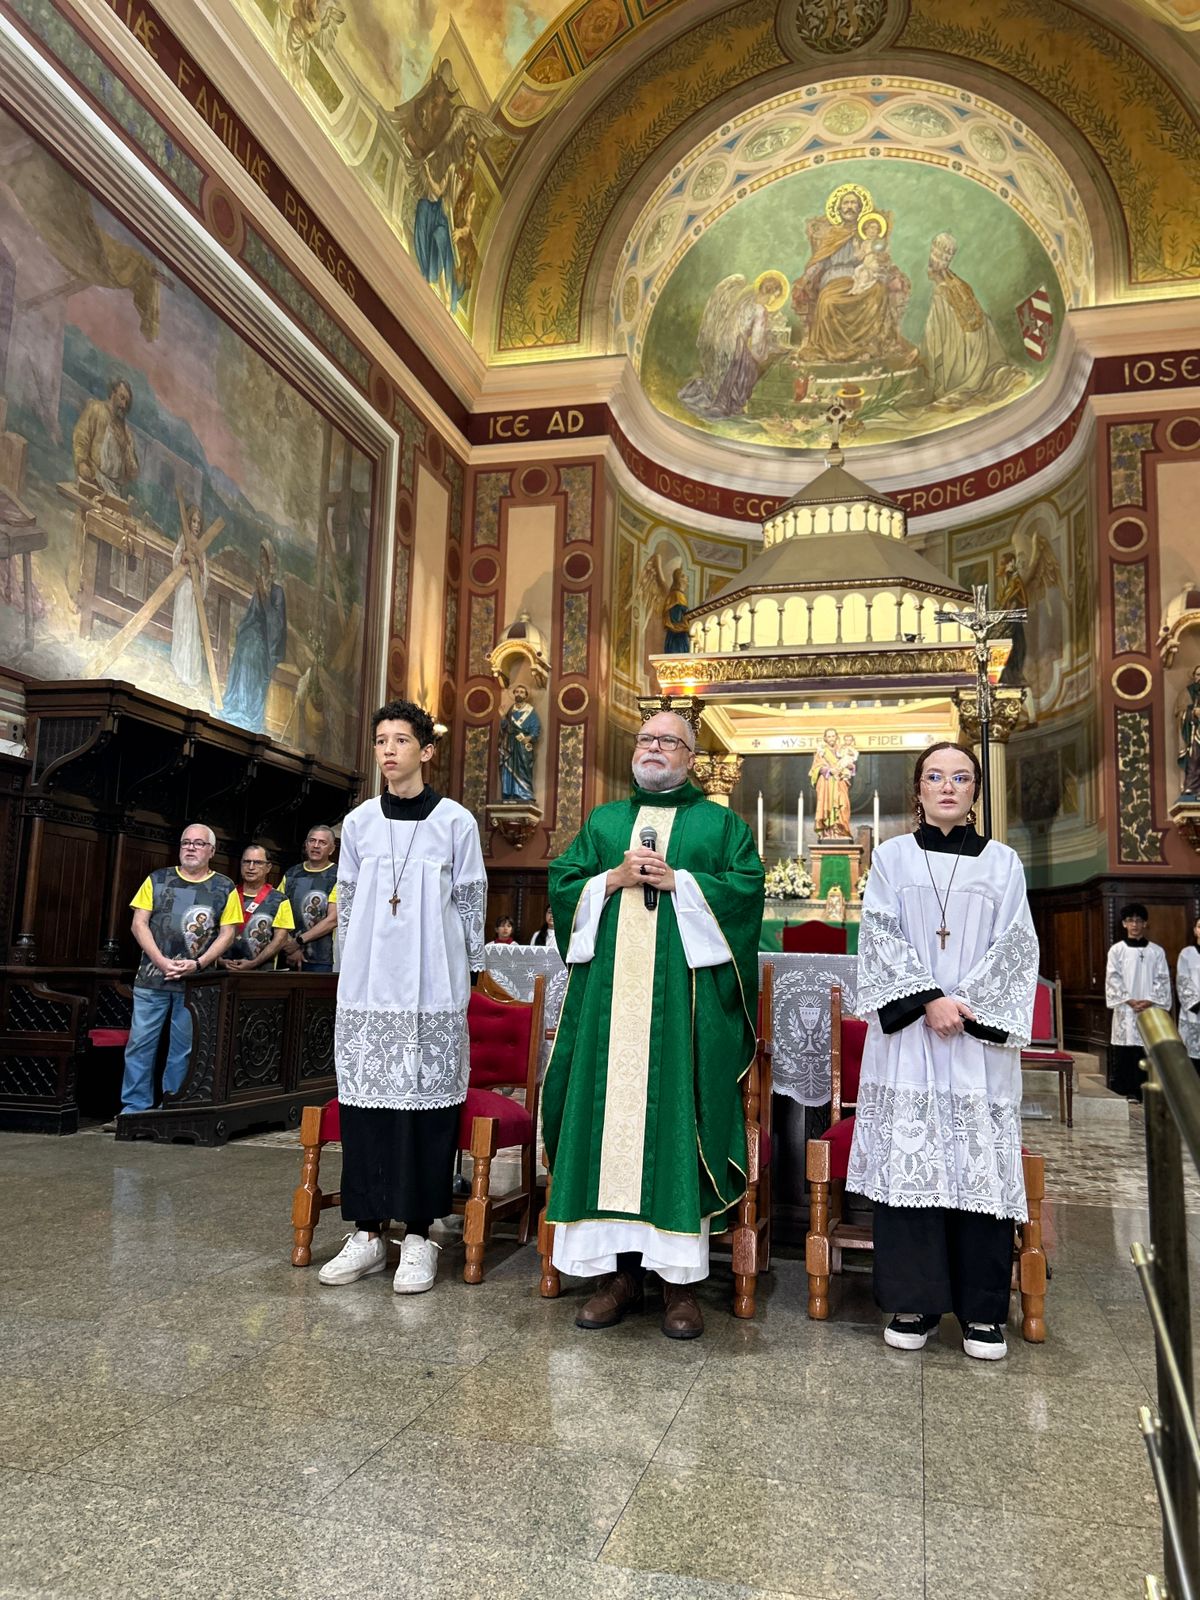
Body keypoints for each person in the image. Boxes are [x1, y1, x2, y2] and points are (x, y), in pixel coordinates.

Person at [542, 710, 764, 1340]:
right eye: (646, 739)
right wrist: (610, 878)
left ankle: (679, 1283)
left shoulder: (720, 824)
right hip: (608, 1012)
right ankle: (615, 1277)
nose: (654, 749)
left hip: (682, 1014)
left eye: (669, 741)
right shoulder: (606, 822)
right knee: (604, 1121)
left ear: (692, 756)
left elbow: (747, 891)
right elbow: (563, 881)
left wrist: (682, 882)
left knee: (673, 1122)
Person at [846, 741, 1039, 1362]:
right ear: (919, 791)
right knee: (915, 1165)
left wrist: (963, 1006)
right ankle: (915, 1300)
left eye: (961, 777)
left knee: (976, 1166)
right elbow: (877, 934)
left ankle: (983, 1311)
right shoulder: (892, 859)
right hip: (910, 1039)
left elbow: (1017, 945)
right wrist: (928, 1000)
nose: (948, 786)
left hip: (976, 1042)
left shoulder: (1004, 863)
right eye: (935, 777)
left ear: (975, 791)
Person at [318, 699, 486, 1293]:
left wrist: (468, 975)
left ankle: (419, 1234)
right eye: (380, 740)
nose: (388, 750)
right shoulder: (360, 823)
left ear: (426, 750)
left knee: (427, 1111)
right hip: (368, 985)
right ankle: (366, 1233)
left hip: (432, 987)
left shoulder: (456, 823)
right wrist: (349, 970)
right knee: (366, 1109)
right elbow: (348, 904)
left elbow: (470, 906)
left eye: (400, 740)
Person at [112, 824, 241, 1122]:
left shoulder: (223, 887)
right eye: (186, 843)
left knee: (183, 1049)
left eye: (198, 843)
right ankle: (134, 1109)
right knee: (140, 1044)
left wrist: (198, 964)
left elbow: (228, 933)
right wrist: (160, 960)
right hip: (152, 979)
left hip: (195, 983)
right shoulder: (157, 879)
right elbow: (138, 924)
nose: (191, 848)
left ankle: (172, 1108)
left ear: (212, 850)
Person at [922, 232, 1026, 409]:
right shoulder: (960, 284)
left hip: (962, 363)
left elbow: (933, 339)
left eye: (933, 258)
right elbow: (984, 324)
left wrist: (921, 359)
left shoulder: (941, 292)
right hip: (980, 356)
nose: (930, 265)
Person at [1106, 903, 1172, 1101]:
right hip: (1126, 1008)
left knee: (1145, 1049)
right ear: (1124, 924)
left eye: (1138, 920)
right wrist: (1128, 999)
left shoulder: (1156, 952)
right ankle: (1123, 1089)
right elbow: (1113, 977)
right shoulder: (1117, 950)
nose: (1134, 924)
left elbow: (1162, 978)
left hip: (1148, 1008)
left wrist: (1150, 1000)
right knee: (1125, 1049)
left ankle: (1143, 1091)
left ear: (1145, 924)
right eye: (1130, 921)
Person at [223, 539, 287, 732]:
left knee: (251, 652)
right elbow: (252, 612)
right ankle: (236, 702)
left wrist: (263, 594)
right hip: (254, 630)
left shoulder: (277, 591)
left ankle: (247, 708)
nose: (261, 562)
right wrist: (243, 628)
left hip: (268, 640)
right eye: (260, 559)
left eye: (264, 559)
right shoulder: (260, 585)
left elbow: (277, 624)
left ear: (271, 563)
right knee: (243, 644)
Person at [220, 842, 294, 971]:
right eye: (246, 862)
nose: (251, 867)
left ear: (268, 867)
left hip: (261, 972)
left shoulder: (280, 900)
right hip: (223, 970)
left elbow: (280, 939)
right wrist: (219, 961)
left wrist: (253, 963)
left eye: (258, 862)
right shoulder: (225, 894)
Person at [280, 825, 339, 973]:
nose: (316, 845)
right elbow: (277, 912)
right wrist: (290, 947)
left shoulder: (338, 876)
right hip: (286, 953)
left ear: (332, 849)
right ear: (306, 845)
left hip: (322, 958)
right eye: (312, 841)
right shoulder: (291, 874)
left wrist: (298, 941)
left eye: (322, 842)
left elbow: (333, 918)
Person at [171, 503, 208, 690]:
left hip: (193, 592)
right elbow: (176, 558)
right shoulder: (184, 539)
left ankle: (189, 673)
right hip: (184, 589)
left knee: (191, 629)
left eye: (199, 523)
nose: (196, 526)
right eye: (193, 521)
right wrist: (184, 558)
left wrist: (201, 569)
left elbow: (205, 573)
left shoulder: (201, 546)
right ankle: (179, 668)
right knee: (182, 627)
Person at [498, 684, 540, 804]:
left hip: (522, 745)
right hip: (509, 743)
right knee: (508, 767)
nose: (519, 694)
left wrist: (530, 737)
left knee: (523, 768)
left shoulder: (530, 711)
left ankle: (524, 793)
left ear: (526, 696)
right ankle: (509, 792)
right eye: (517, 692)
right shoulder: (511, 711)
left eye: (522, 692)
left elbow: (536, 727)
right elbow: (505, 728)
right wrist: (502, 716)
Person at [1178, 918, 1200, 1072]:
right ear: (1195, 930)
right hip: (1195, 1012)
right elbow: (1183, 980)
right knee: (1194, 1058)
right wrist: (1196, 1003)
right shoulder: (1187, 954)